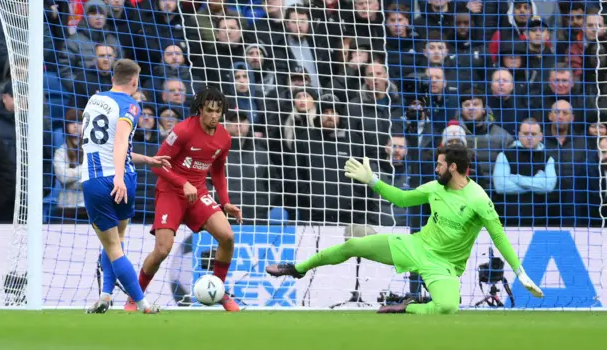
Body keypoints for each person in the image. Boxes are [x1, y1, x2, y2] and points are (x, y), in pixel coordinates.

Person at [266, 144, 544, 314]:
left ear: (454, 167)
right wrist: (373, 180)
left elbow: (499, 237)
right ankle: (298, 268)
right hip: (414, 245)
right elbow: (402, 198)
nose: (436, 169)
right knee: (353, 246)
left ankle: (407, 307)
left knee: (447, 307)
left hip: (443, 265)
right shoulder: (435, 188)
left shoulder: (479, 200)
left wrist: (520, 272)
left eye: (440, 165)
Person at [130, 87, 242, 312]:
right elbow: (157, 166)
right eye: (209, 110)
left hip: (198, 193)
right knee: (162, 250)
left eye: (218, 111)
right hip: (171, 191)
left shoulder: (224, 137)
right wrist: (183, 183)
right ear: (200, 109)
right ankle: (134, 297)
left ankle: (218, 290)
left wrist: (225, 200)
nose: (214, 116)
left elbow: (218, 171)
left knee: (227, 237)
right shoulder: (182, 131)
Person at [82, 59, 171, 314]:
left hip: (96, 180)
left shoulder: (94, 100)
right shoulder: (129, 104)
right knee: (117, 242)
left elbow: (110, 145)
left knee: (112, 245)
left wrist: (146, 159)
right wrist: (120, 177)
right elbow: (120, 142)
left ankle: (139, 302)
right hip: (122, 179)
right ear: (134, 81)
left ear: (113, 77)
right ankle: (107, 297)